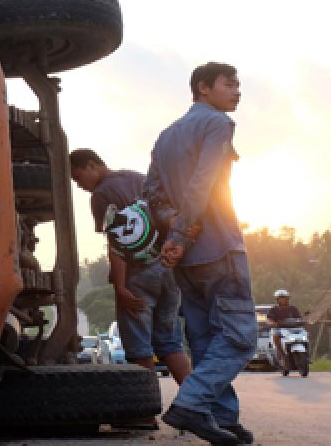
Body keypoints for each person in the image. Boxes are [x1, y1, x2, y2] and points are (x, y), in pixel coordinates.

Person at [146, 62, 255, 446]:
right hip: (217, 246)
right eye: (230, 84)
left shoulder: (166, 136)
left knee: (206, 338)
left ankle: (223, 419)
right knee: (241, 338)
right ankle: (192, 404)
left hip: (185, 259)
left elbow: (152, 194)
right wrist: (182, 231)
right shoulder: (217, 125)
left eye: (238, 84)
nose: (237, 91)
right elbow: (204, 182)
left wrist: (172, 231)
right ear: (203, 88)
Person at [69, 149, 191, 385]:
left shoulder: (101, 195)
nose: (79, 185)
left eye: (77, 177)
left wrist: (121, 287)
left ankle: (146, 413)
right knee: (170, 344)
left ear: (92, 165)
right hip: (168, 269)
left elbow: (118, 242)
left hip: (138, 275)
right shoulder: (138, 179)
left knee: (139, 349)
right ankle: (197, 404)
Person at [266, 288, 303, 364]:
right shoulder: (273, 309)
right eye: (280, 298)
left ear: (287, 299)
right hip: (279, 328)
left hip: (293, 328)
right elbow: (269, 319)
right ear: (277, 300)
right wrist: (271, 323)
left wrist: (304, 320)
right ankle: (282, 355)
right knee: (276, 336)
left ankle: (306, 354)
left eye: (284, 298)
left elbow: (299, 318)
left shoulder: (293, 308)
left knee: (306, 334)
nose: (282, 300)